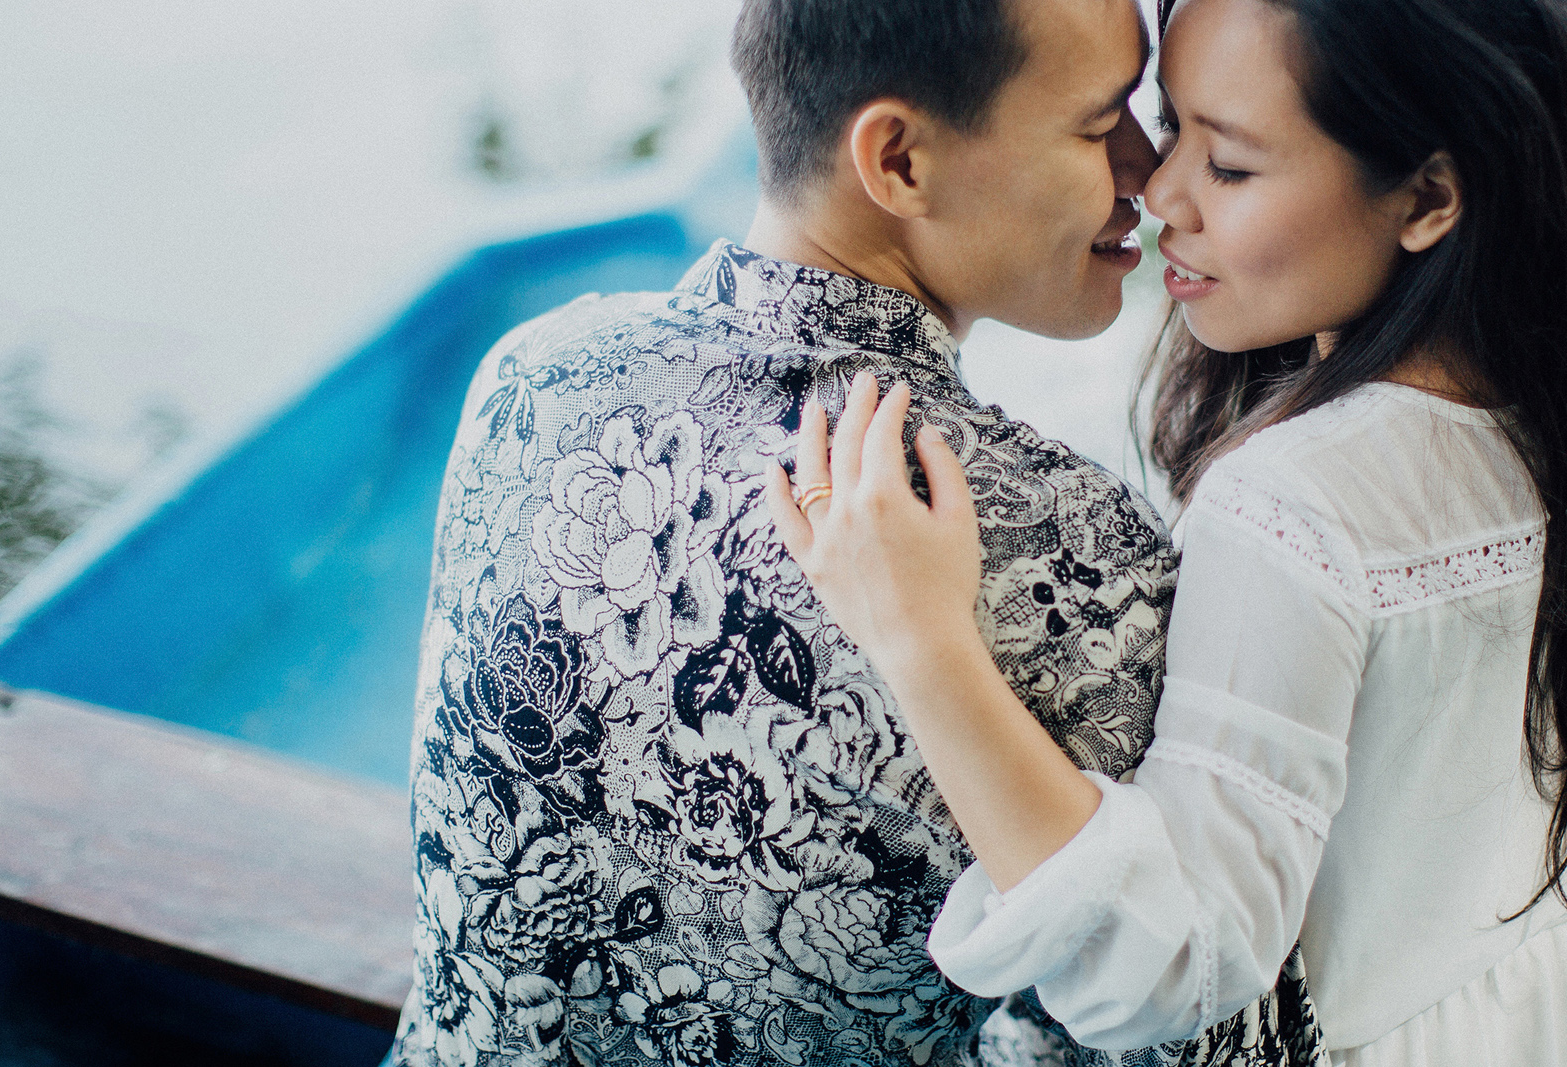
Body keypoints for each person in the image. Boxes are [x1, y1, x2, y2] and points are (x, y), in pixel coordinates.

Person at [390, 0, 1326, 1064]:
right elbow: (1215, 1038)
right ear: (898, 161)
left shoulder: (533, 376)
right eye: (1097, 122)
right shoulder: (1063, 555)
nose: (1146, 175)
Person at [766, 0, 1567, 1062]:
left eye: (1227, 165)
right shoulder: (1524, 421)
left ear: (1424, 198)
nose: (1158, 188)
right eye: (1166, 124)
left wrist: (920, 640)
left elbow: (1176, 965)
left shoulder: (1294, 500)